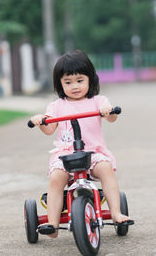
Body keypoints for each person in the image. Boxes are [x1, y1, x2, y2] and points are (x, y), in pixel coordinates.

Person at [30, 50, 131, 238]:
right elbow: (50, 129)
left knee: (106, 168)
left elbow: (112, 118)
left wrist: (108, 111)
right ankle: (52, 223)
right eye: (68, 82)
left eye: (80, 80)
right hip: (66, 155)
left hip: (93, 152)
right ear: (60, 84)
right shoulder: (57, 106)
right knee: (56, 178)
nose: (74, 86)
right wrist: (41, 122)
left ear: (90, 80)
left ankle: (116, 213)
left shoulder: (98, 101)